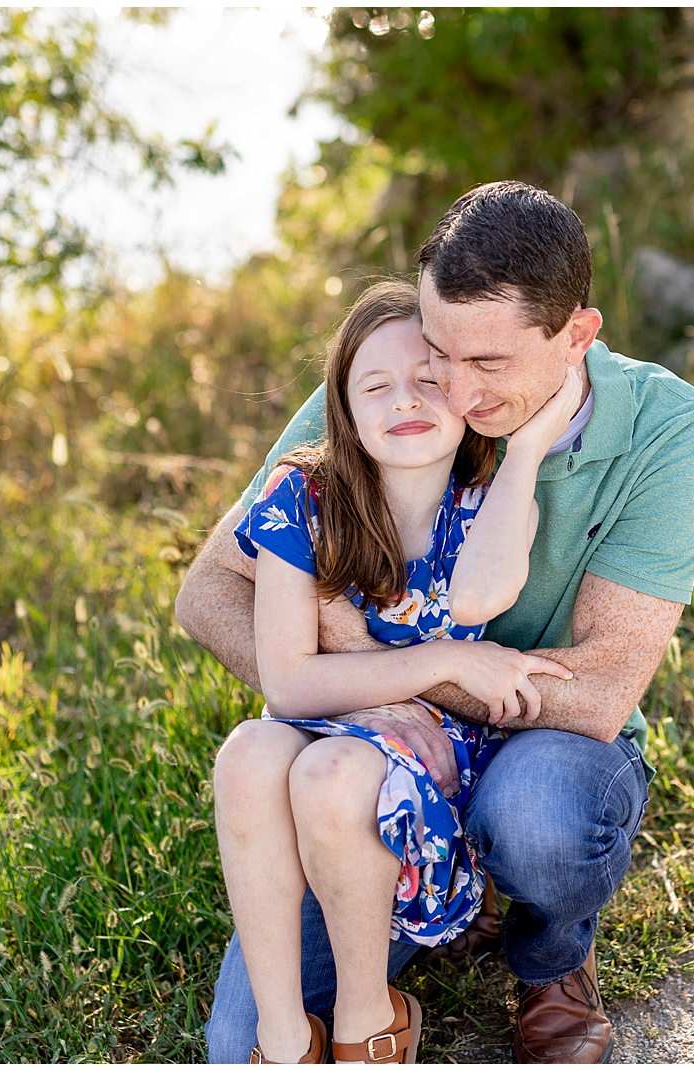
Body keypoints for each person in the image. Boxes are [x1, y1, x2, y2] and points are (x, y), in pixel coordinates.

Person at [177, 181, 694, 1064]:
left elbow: (595, 695)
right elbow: (209, 593)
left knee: (543, 816)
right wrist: (360, 698)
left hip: (542, 741)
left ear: (576, 336)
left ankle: (548, 959)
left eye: (488, 365)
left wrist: (393, 669)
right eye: (441, 349)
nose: (453, 392)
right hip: (367, 753)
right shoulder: (393, 380)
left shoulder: (671, 432)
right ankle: (420, 921)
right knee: (243, 1036)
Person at [214, 279, 584, 1063]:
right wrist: (450, 657)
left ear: (463, 392)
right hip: (324, 714)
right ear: (341, 412)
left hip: (433, 752)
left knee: (331, 775)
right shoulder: (301, 497)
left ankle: (364, 1018)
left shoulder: (488, 502)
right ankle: (283, 1040)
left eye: (428, 377)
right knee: (247, 752)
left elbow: (483, 590)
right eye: (374, 385)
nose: (405, 399)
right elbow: (286, 684)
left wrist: (527, 444)